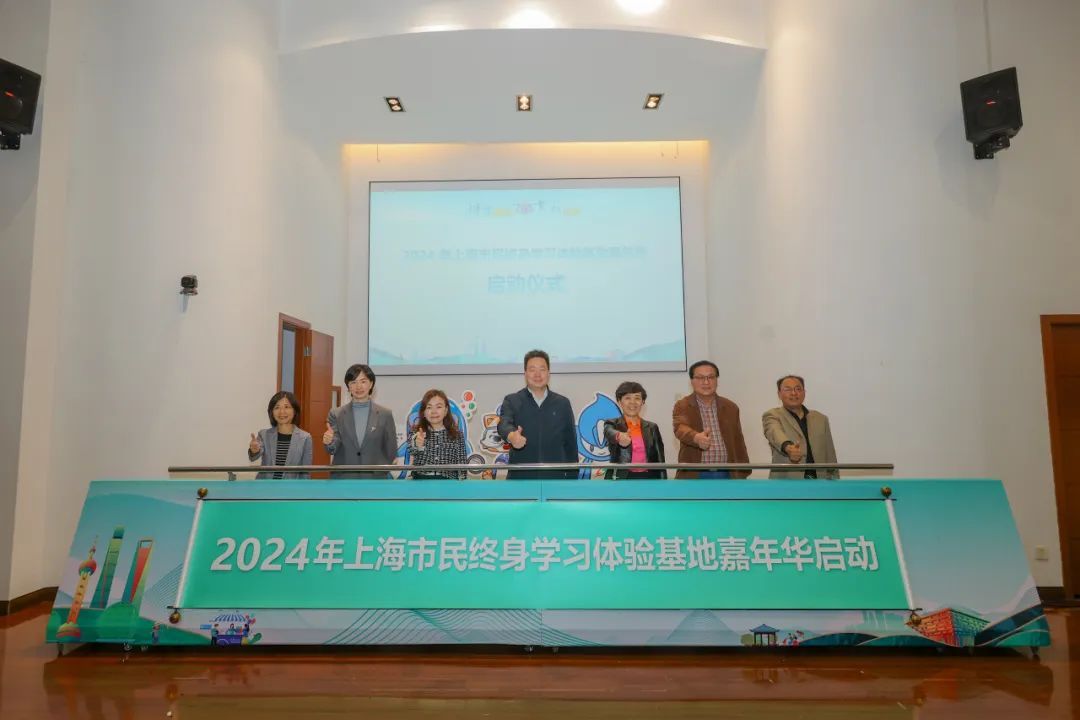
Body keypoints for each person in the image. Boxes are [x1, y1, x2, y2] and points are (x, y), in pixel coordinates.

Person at [496, 349, 577, 480]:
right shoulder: (512, 400)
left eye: (542, 369)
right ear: (525, 373)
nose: (537, 374)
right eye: (532, 369)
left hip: (556, 479)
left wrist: (571, 480)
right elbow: (504, 424)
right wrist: (512, 436)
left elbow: (570, 445)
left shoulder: (563, 403)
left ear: (548, 373)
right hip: (521, 479)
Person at [672, 360, 750, 479]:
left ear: (717, 380)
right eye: (700, 378)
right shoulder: (683, 405)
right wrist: (695, 437)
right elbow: (680, 428)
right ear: (691, 381)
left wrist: (743, 471)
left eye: (711, 377)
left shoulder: (731, 407)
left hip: (727, 473)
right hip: (696, 474)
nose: (706, 382)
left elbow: (738, 440)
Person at [323, 363, 397, 478]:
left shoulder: (385, 414)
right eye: (353, 382)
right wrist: (329, 441)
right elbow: (332, 448)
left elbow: (391, 450)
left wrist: (380, 471)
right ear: (348, 386)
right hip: (344, 479)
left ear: (371, 384)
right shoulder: (336, 414)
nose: (358, 387)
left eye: (363, 381)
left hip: (374, 480)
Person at [762, 374, 838, 479]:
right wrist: (788, 447)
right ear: (779, 394)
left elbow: (830, 455)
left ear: (804, 392)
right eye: (788, 389)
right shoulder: (772, 415)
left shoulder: (821, 419)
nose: (794, 393)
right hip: (786, 483)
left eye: (798, 389)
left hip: (819, 483)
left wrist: (834, 480)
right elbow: (775, 432)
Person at [602, 381, 666, 479]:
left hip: (649, 478)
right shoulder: (612, 423)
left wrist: (663, 482)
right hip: (621, 478)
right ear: (619, 401)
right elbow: (609, 432)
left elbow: (660, 460)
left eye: (637, 398)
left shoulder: (652, 427)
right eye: (627, 398)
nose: (633, 402)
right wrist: (619, 436)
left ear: (643, 402)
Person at [247, 391, 312, 479]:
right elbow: (253, 457)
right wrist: (254, 450)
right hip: (266, 486)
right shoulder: (264, 434)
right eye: (277, 407)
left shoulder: (305, 438)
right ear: (272, 412)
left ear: (294, 411)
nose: (282, 412)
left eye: (286, 407)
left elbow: (305, 473)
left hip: (290, 487)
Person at [409, 389, 468, 479]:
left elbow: (462, 467)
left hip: (448, 483)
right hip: (422, 481)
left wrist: (461, 484)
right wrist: (418, 447)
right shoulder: (416, 432)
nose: (434, 411)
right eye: (429, 407)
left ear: (446, 410)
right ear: (423, 412)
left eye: (438, 407)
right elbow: (413, 462)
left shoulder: (457, 435)